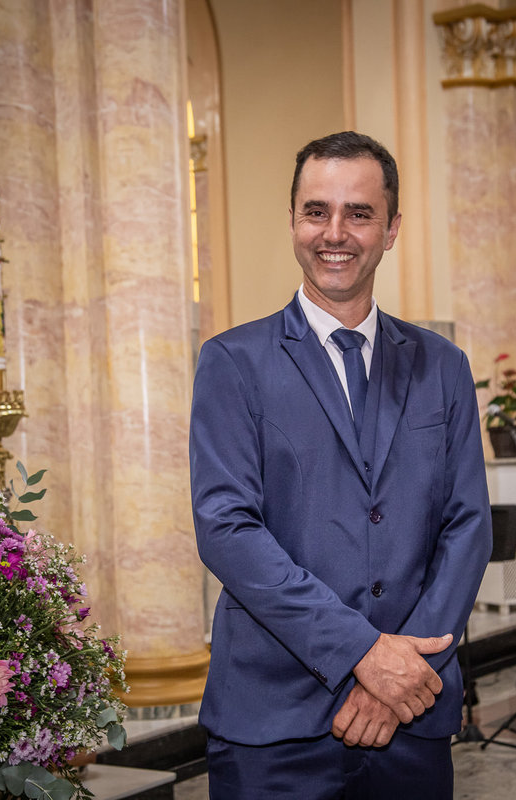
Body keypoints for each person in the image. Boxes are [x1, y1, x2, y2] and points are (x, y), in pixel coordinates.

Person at [189, 131, 493, 798]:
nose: (335, 233)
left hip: (412, 709)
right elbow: (227, 529)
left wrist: (401, 673)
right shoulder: (233, 362)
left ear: (391, 229)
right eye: (316, 211)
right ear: (292, 221)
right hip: (274, 722)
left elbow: (468, 525)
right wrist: (363, 653)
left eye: (359, 213)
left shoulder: (443, 366)